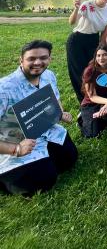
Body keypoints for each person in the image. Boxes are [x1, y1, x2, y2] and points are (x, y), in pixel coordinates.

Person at [0, 41, 77, 196]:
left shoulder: (48, 76)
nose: (38, 62)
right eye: (31, 59)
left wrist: (60, 113)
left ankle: (43, 162)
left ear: (49, 59)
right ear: (21, 60)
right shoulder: (4, 88)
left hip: (44, 131)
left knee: (70, 159)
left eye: (43, 58)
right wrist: (15, 149)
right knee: (40, 183)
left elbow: (54, 99)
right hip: (13, 141)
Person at [66, 0, 107, 102]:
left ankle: (95, 97)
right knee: (78, 72)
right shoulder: (87, 5)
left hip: (93, 40)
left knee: (92, 70)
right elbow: (71, 22)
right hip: (77, 40)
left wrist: (102, 46)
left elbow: (104, 31)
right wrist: (76, 8)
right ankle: (83, 100)